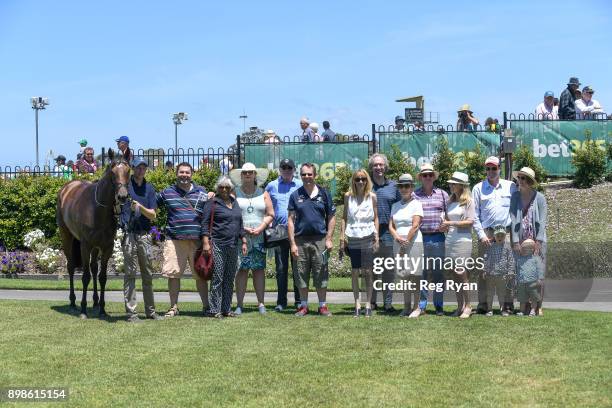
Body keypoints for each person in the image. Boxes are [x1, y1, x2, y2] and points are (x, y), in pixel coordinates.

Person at [157, 162, 210, 317]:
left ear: (192, 174)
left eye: (187, 172)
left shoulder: (202, 192)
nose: (184, 175)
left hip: (197, 241)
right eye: (181, 172)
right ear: (176, 173)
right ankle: (173, 307)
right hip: (174, 240)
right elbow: (152, 204)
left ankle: (206, 306)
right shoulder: (167, 192)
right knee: (173, 274)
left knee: (200, 275)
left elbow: (210, 213)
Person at [288, 163, 336, 317]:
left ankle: (322, 306)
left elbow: (331, 217)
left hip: (320, 240)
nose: (307, 177)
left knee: (321, 272)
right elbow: (290, 220)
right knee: (301, 273)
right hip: (300, 241)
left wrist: (329, 239)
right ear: (300, 176)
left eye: (309, 174)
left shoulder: (324, 193)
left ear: (315, 175)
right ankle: (303, 306)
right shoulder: (295, 195)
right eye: (303, 174)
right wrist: (293, 244)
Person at [120, 157, 163, 322]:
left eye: (143, 168)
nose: (140, 170)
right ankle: (132, 313)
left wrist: (139, 207)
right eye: (138, 167)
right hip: (129, 234)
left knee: (147, 274)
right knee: (130, 274)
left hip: (145, 235)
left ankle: (150, 312)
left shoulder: (149, 189)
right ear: (133, 168)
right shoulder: (125, 187)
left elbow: (153, 215)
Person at [472, 156, 517, 314]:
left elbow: (515, 211)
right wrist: (481, 235)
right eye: (488, 168)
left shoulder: (510, 186)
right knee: (484, 270)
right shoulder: (478, 188)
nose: (491, 171)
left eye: (494, 168)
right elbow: (474, 215)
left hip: (505, 232)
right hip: (486, 233)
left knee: (507, 269)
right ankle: (484, 304)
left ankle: (508, 304)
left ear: (500, 168)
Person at [230, 163, 274, 315]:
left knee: (258, 269)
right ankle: (239, 304)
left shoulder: (263, 193)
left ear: (255, 175)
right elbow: (230, 213)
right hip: (241, 237)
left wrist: (261, 227)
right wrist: (243, 229)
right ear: (241, 175)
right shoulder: (234, 192)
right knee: (242, 269)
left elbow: (270, 214)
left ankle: (261, 303)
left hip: (259, 237)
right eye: (245, 172)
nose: (248, 175)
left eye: (250, 172)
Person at [202, 176, 248, 318]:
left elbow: (239, 223)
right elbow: (204, 223)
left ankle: (226, 309)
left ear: (231, 189)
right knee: (218, 278)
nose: (224, 189)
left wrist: (244, 239)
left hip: (233, 245)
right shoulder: (212, 203)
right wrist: (205, 243)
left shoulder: (235, 203)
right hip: (217, 244)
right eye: (221, 187)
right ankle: (214, 310)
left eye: (227, 187)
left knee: (229, 278)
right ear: (217, 188)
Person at [339, 169, 379, 318]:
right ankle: (357, 304)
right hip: (353, 237)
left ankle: (368, 304)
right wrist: (342, 238)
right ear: (353, 181)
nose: (360, 182)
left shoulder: (372, 197)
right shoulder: (348, 197)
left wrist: (376, 235)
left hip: (368, 236)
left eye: (363, 179)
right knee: (355, 272)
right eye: (357, 179)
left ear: (367, 180)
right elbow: (344, 218)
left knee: (368, 272)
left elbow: (376, 217)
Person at [412, 163, 450, 316]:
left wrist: (446, 225)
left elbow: (449, 216)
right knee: (422, 273)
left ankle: (439, 305)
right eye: (424, 175)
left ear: (434, 177)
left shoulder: (442, 194)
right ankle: (422, 306)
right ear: (421, 177)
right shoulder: (414, 195)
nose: (427, 177)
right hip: (420, 238)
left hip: (438, 238)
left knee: (438, 274)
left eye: (430, 175)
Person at [266, 158, 303, 311]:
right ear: (279, 169)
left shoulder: (301, 185)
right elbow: (265, 206)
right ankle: (281, 302)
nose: (287, 170)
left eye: (290, 167)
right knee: (281, 268)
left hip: (298, 231)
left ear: (294, 169)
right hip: (279, 231)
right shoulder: (271, 186)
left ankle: (299, 301)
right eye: (284, 167)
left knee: (297, 267)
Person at [510, 166, 547, 315]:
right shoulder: (515, 197)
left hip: (537, 241)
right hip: (520, 241)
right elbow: (513, 219)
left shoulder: (540, 198)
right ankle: (524, 306)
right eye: (519, 177)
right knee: (523, 275)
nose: (521, 180)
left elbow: (543, 220)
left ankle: (538, 305)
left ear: (530, 181)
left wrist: (538, 240)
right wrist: (514, 241)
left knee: (538, 275)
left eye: (524, 178)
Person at [369, 153, 401, 312]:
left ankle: (388, 304)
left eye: (381, 165)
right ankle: (372, 302)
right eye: (375, 165)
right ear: (371, 167)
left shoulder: (394, 186)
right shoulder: (365, 185)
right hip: (370, 233)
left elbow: (400, 208)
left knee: (388, 270)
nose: (378, 167)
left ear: (385, 167)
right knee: (373, 269)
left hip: (389, 233)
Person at [440, 171, 474, 319]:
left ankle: (468, 305)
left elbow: (470, 222)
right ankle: (460, 306)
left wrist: (450, 223)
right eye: (451, 183)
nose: (451, 185)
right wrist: (444, 226)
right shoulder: (449, 201)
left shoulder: (468, 201)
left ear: (462, 185)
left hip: (463, 241)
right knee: (454, 275)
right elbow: (447, 221)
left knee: (462, 273)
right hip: (450, 240)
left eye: (454, 183)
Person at [388, 174, 423, 318]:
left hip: (413, 243)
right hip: (398, 243)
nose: (404, 189)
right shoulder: (395, 206)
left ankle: (417, 307)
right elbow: (391, 226)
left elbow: (415, 226)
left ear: (412, 187)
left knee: (414, 275)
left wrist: (405, 242)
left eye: (407, 186)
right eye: (401, 186)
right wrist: (397, 238)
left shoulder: (416, 204)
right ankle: (406, 307)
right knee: (403, 276)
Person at [483, 225, 515, 317]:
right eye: (498, 236)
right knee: (490, 294)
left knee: (502, 294)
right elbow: (486, 259)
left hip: (502, 275)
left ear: (505, 236)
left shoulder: (507, 247)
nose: (500, 237)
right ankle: (489, 309)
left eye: (502, 235)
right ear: (494, 236)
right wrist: (485, 270)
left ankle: (502, 309)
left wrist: (510, 272)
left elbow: (511, 260)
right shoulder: (490, 247)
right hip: (491, 275)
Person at [514, 239, 545, 316]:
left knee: (534, 297)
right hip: (521, 282)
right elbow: (517, 270)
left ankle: (533, 310)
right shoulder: (519, 259)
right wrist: (516, 280)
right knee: (522, 298)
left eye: (527, 248)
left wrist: (540, 278)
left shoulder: (536, 258)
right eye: (523, 248)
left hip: (533, 282)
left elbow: (540, 269)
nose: (524, 250)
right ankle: (522, 311)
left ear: (532, 249)